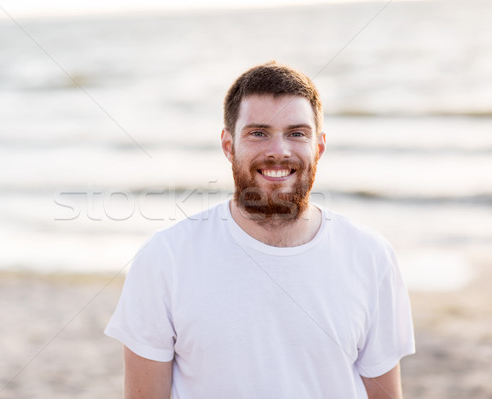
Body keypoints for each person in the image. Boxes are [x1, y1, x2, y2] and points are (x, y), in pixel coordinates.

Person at [105, 61, 415, 398]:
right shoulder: (165, 259)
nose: (278, 151)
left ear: (319, 147)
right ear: (228, 145)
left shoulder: (370, 256)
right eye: (258, 133)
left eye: (297, 133)